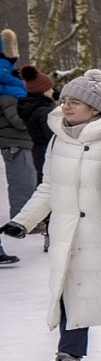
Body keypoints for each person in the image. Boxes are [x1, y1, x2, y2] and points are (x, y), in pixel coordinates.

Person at [3, 76, 101, 361]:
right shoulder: (59, 138)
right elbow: (50, 187)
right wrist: (23, 221)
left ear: (95, 109)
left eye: (74, 102)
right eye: (64, 100)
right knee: (70, 298)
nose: (65, 106)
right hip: (69, 238)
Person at [1, 31, 38, 265]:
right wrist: (32, 122)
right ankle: (22, 219)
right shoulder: (8, 91)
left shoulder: (10, 85)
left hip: (18, 142)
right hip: (15, 142)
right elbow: (15, 119)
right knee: (22, 183)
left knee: (25, 182)